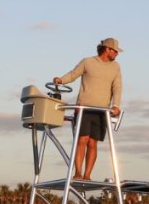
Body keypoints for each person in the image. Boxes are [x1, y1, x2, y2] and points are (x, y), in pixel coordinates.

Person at [53, 37, 123, 180]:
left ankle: (87, 175)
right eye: (115, 51)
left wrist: (116, 105)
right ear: (107, 49)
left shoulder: (116, 67)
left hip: (102, 110)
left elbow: (117, 87)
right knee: (82, 140)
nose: (117, 54)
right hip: (84, 107)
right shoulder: (88, 62)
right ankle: (78, 173)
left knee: (93, 142)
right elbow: (73, 74)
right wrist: (61, 80)